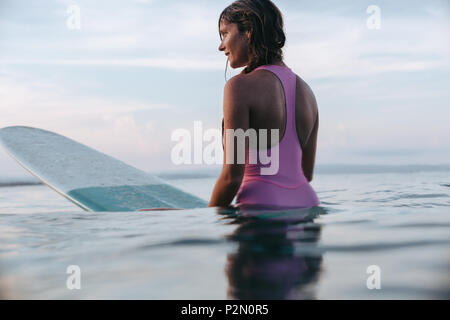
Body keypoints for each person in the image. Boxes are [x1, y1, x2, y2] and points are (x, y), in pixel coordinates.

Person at [209, 0, 320, 209]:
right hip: (306, 204)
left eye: (225, 34)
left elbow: (232, 177)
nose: (221, 46)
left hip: (261, 207)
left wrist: (205, 219)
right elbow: (306, 173)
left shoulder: (239, 87)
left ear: (248, 30)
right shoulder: (307, 92)